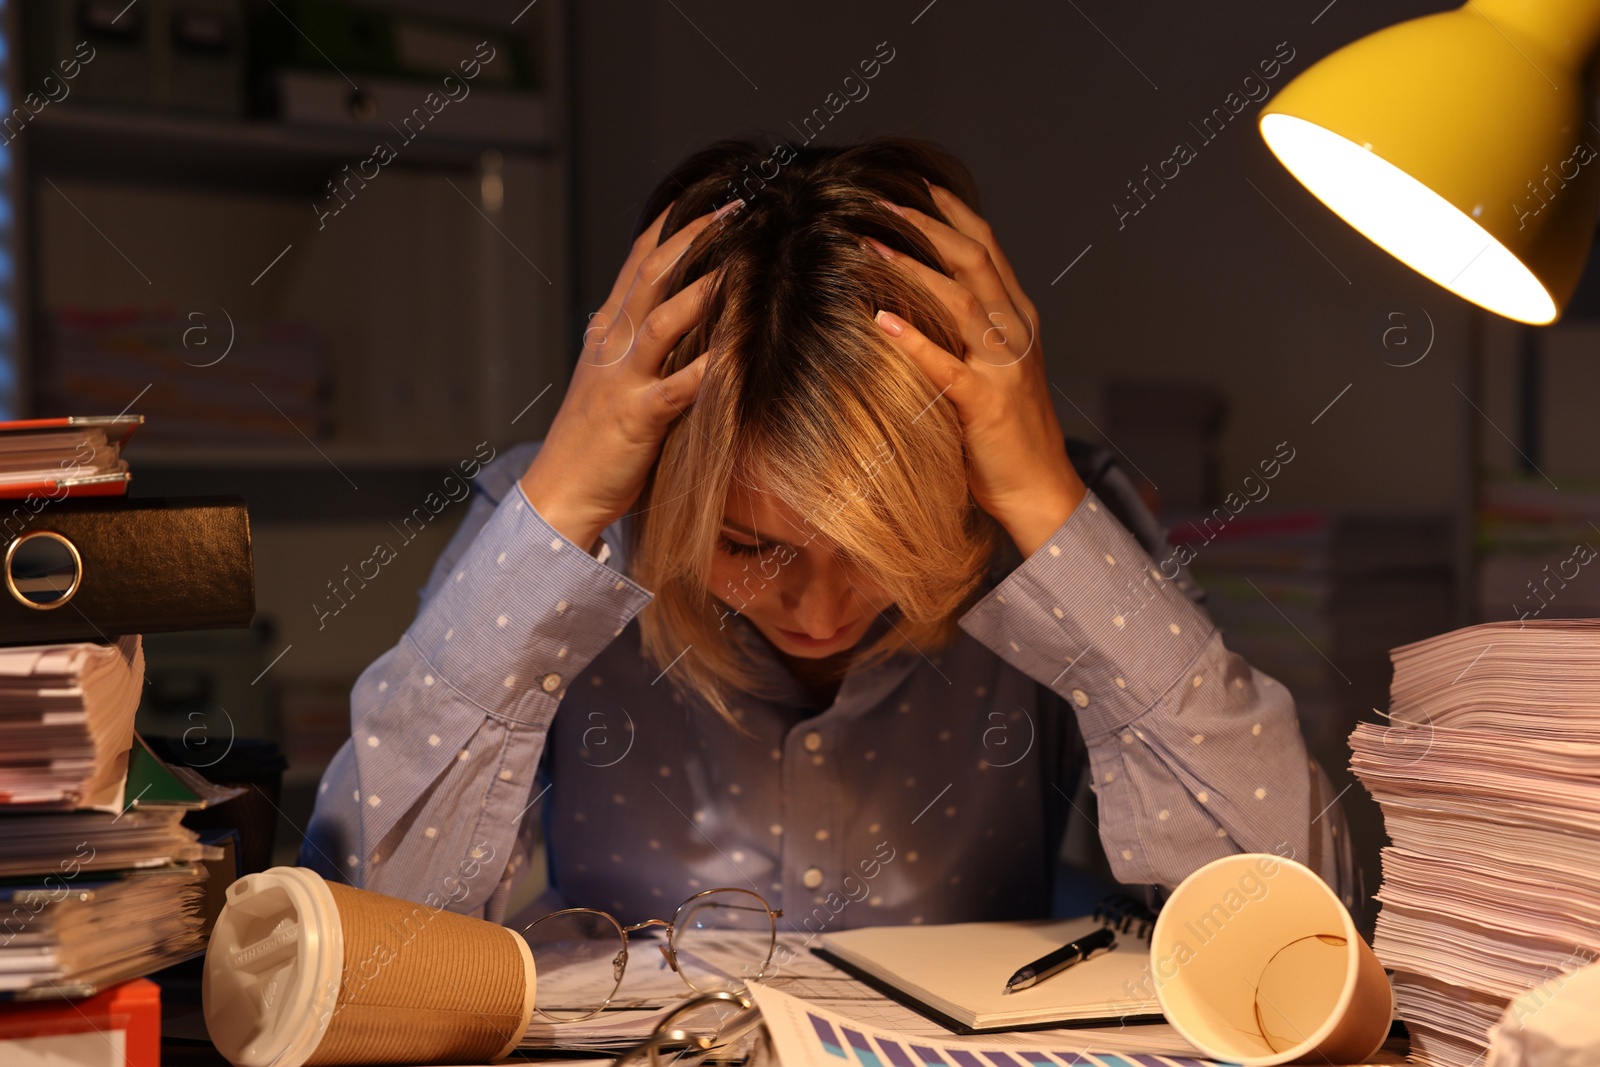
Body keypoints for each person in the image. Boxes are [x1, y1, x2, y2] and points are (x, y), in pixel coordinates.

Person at [299, 134, 1355, 932]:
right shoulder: (565, 532)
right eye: (749, 545)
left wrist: (1046, 504)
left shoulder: (1040, 530)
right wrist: (562, 499)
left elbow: (1304, 923)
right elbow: (358, 933)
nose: (820, 610)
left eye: (886, 548)